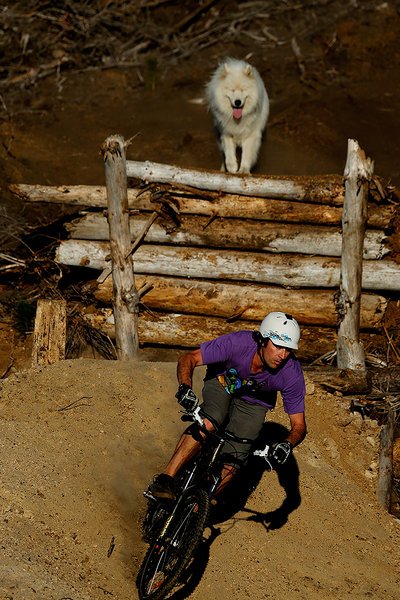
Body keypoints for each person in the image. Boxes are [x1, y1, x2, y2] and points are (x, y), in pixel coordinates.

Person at [148, 311, 307, 501]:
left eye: (288, 349)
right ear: (262, 340)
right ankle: (166, 478)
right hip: (222, 383)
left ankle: (194, 511)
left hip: (254, 402)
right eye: (278, 346)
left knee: (237, 457)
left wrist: (287, 444)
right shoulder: (238, 343)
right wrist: (185, 388)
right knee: (212, 418)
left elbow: (299, 426)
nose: (283, 354)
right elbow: (189, 358)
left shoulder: (291, 373)